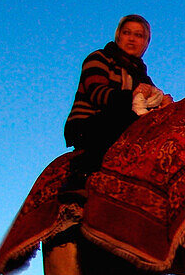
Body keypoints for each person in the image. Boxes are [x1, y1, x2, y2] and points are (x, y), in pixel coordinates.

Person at [61, 14, 171, 199]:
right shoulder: (99, 58)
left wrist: (163, 104)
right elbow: (98, 94)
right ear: (118, 36)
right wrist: (135, 95)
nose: (132, 38)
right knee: (124, 116)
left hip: (125, 123)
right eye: (127, 33)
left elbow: (147, 106)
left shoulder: (142, 76)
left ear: (146, 43)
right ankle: (80, 175)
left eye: (139, 35)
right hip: (90, 124)